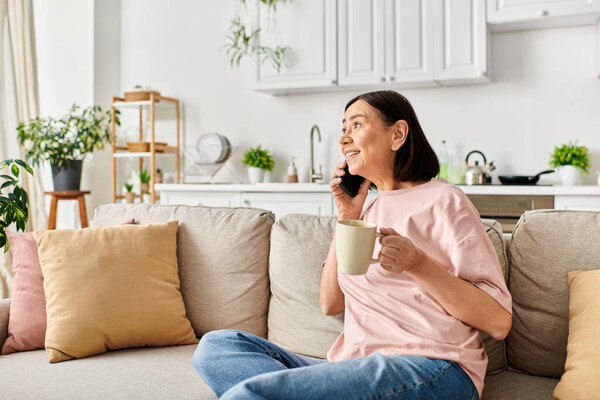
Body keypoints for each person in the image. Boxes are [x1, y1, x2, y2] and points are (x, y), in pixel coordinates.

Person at [193, 90, 512, 400]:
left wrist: (418, 264)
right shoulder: (366, 210)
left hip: (433, 366)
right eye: (343, 129)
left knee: (253, 393)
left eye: (357, 125)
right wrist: (347, 216)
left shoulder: (445, 200)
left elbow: (498, 322)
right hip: (353, 366)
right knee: (218, 346)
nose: (344, 138)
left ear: (398, 134)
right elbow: (330, 303)